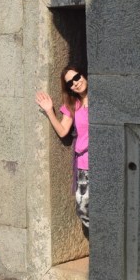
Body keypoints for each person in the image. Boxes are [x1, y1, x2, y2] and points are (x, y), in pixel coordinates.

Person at [35, 64, 89, 236]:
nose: (75, 83)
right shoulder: (74, 104)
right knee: (83, 208)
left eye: (77, 77)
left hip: (104, 162)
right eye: (70, 83)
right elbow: (63, 131)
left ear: (84, 74)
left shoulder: (101, 98)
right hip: (84, 165)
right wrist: (49, 111)